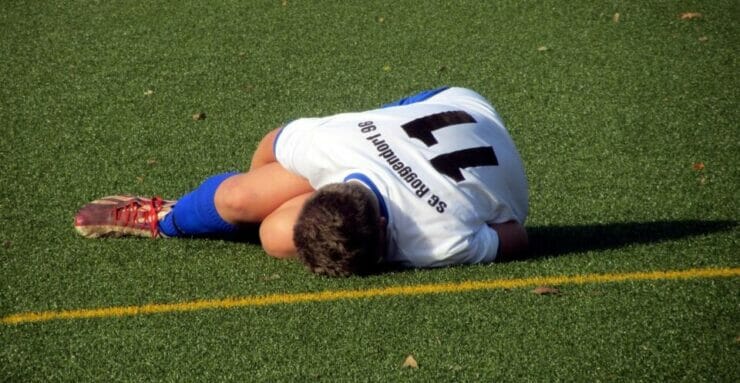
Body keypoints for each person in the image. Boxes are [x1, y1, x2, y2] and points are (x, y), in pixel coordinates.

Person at [75, 86, 529, 276]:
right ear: (324, 185)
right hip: (453, 103)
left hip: (469, 126)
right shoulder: (327, 143)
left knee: (274, 236)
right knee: (238, 196)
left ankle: (209, 215)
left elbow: (515, 234)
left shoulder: (437, 242)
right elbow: (273, 144)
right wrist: (258, 193)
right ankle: (169, 217)